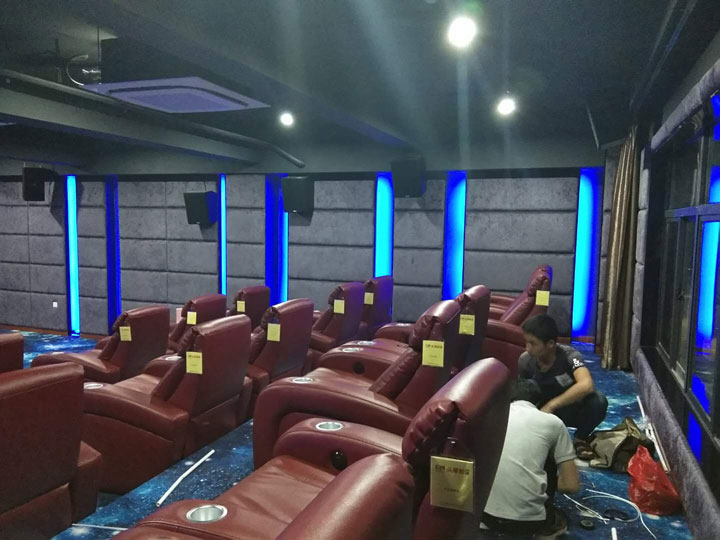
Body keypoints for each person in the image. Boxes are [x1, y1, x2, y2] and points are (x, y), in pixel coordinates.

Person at [483, 379, 579, 538]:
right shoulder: (553, 423)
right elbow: (570, 486)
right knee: (549, 455)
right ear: (539, 403)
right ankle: (547, 527)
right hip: (528, 523)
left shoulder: (489, 416)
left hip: (484, 516)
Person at [518, 314, 608, 460]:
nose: (528, 348)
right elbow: (521, 398)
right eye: (526, 342)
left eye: (533, 344)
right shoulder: (525, 361)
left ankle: (580, 439)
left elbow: (586, 385)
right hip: (540, 412)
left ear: (550, 344)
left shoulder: (570, 356)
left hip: (567, 407)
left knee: (598, 401)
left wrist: (551, 405)